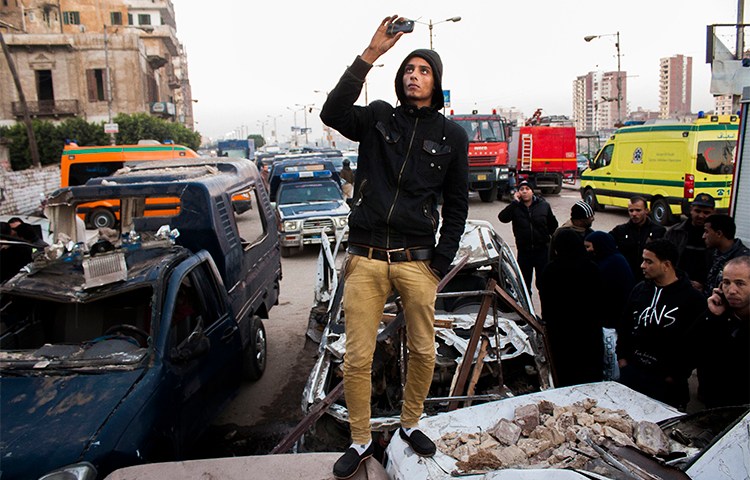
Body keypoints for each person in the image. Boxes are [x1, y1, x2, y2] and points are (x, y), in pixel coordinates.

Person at [319, 15, 469, 479]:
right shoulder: (379, 117)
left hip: (416, 262)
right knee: (357, 356)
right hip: (365, 258)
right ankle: (361, 440)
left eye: (423, 70)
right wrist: (371, 54)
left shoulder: (452, 137)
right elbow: (332, 113)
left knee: (424, 351)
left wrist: (438, 263)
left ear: (436, 81)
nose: (413, 75)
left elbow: (458, 204)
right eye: (408, 69)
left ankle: (410, 424)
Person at [616, 239, 706, 409]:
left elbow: (697, 344)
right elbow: (625, 325)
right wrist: (622, 359)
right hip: (633, 374)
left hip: (666, 385)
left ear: (666, 265)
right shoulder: (639, 290)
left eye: (649, 261)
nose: (642, 265)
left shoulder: (693, 300)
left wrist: (675, 375)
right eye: (643, 260)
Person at [539, 229, 604, 386]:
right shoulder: (591, 268)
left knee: (565, 378)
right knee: (590, 380)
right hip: (588, 333)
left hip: (561, 335)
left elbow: (546, 306)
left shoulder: (550, 271)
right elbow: (600, 300)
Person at [693, 256, 750, 408]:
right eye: (726, 283)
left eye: (740, 283)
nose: (731, 290)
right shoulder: (719, 315)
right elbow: (689, 350)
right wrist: (710, 316)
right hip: (712, 403)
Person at [585, 231, 636, 380]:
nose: (587, 251)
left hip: (613, 322)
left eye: (589, 247)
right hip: (614, 320)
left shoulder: (610, 265)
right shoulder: (613, 260)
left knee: (611, 359)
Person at [498, 180, 558, 294]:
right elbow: (502, 218)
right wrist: (514, 202)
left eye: (527, 189)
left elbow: (553, 227)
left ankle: (546, 311)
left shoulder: (544, 206)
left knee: (544, 285)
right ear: (518, 192)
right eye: (522, 189)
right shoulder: (515, 207)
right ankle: (527, 311)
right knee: (524, 286)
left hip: (542, 251)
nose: (524, 191)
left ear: (532, 191)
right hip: (524, 252)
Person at [665, 193, 715, 291]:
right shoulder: (675, 232)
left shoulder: (716, 237)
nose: (701, 216)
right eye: (697, 211)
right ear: (691, 209)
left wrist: (703, 284)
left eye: (706, 212)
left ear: (713, 212)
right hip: (676, 286)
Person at [610, 196, 666, 282]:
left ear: (646, 211)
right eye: (631, 211)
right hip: (626, 277)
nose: (634, 214)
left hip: (649, 279)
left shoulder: (658, 231)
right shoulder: (620, 231)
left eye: (638, 210)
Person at [703, 214, 750, 296]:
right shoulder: (712, 253)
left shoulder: (744, 260)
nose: (703, 236)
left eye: (707, 232)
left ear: (719, 234)